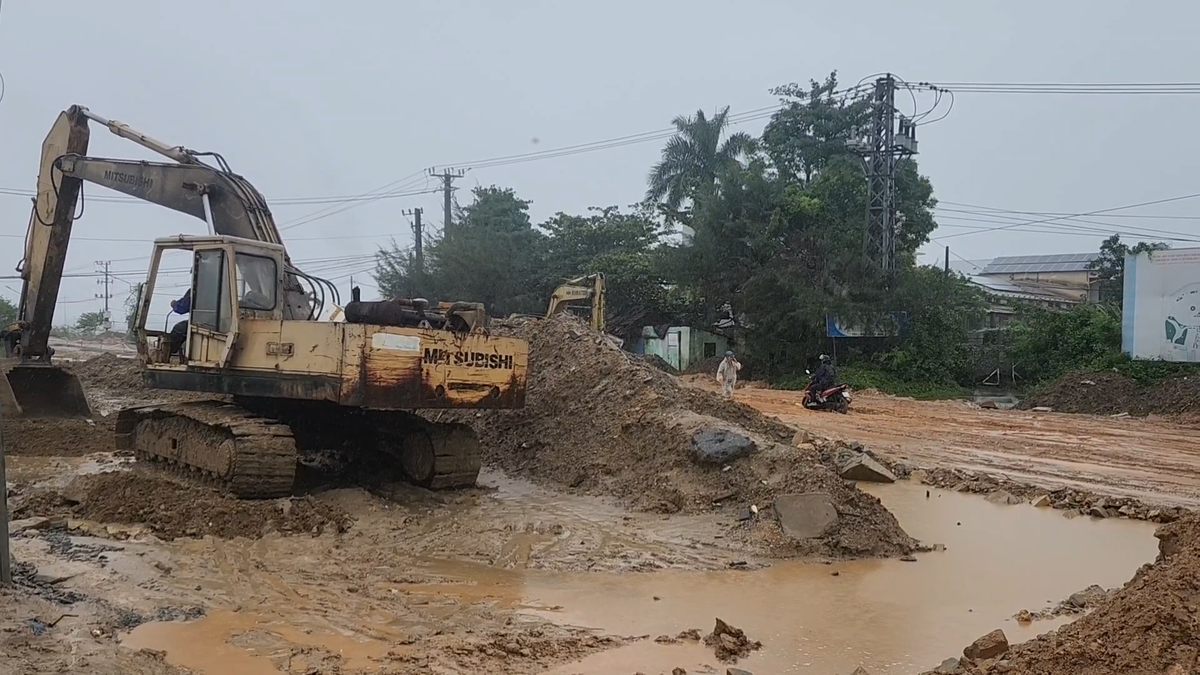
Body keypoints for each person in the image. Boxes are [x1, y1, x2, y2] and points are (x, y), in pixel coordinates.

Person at [167, 289, 191, 356]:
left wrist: (174, 304)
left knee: (178, 329)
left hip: (203, 322)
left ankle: (169, 352)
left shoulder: (197, 288)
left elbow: (183, 307)